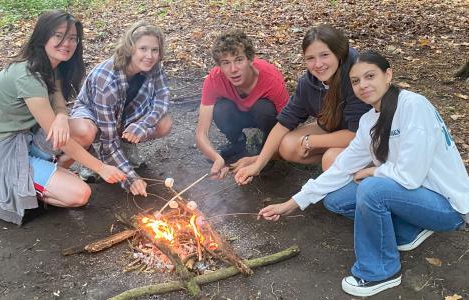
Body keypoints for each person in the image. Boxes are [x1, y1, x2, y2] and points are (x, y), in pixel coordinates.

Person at [257, 50, 469, 297]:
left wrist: (372, 171)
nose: (363, 85)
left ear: (387, 75)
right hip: (412, 197)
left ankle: (381, 271)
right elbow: (341, 168)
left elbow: (410, 175)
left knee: (371, 188)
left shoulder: (413, 105)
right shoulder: (370, 120)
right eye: (356, 81)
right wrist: (292, 204)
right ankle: (408, 231)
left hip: (446, 206)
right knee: (337, 198)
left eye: (370, 76)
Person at [0, 10, 127, 225]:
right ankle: (27, 190)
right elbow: (62, 141)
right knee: (80, 194)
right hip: (4, 153)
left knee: (85, 130)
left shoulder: (52, 66)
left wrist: (62, 117)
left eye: (73, 38)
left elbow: (56, 96)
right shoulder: (27, 74)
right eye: (59, 36)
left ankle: (46, 177)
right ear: (43, 36)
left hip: (27, 139)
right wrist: (101, 168)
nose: (67, 43)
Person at [234, 25, 370, 184]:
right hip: (334, 128)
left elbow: (356, 135)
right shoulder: (308, 83)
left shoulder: (357, 79)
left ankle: (356, 178)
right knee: (287, 145)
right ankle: (337, 163)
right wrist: (258, 163)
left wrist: (310, 141)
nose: (318, 64)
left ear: (338, 54)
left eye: (324, 55)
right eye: (310, 58)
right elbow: (283, 123)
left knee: (330, 158)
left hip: (367, 139)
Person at [69, 20, 172, 196]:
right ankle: (90, 159)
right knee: (86, 132)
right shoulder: (107, 79)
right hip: (93, 116)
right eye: (143, 49)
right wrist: (131, 178)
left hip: (125, 113)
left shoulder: (154, 67)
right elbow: (108, 142)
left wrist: (143, 124)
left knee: (164, 122)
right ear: (130, 48)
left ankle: (126, 144)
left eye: (155, 50)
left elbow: (162, 98)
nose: (150, 55)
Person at [195, 29, 289, 179]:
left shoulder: (270, 79)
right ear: (219, 65)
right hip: (239, 113)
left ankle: (265, 151)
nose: (233, 69)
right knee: (220, 109)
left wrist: (262, 158)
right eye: (226, 63)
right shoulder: (214, 80)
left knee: (263, 108)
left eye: (239, 60)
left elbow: (289, 124)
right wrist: (216, 159)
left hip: (265, 117)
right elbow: (201, 133)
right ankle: (237, 143)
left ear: (250, 59)